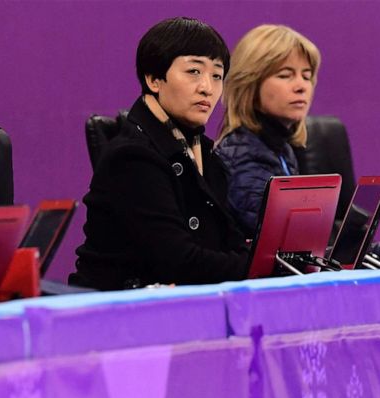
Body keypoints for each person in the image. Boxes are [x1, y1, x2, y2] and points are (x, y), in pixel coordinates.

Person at [70, 17, 248, 290]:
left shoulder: (207, 156)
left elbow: (230, 242)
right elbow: (178, 260)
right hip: (118, 312)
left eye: (217, 75)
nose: (207, 88)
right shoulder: (132, 156)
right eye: (193, 72)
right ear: (154, 79)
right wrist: (259, 269)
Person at [215, 24, 320, 235]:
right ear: (250, 85)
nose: (301, 86)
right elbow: (287, 242)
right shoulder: (243, 156)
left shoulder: (281, 149)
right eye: (285, 75)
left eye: (306, 76)